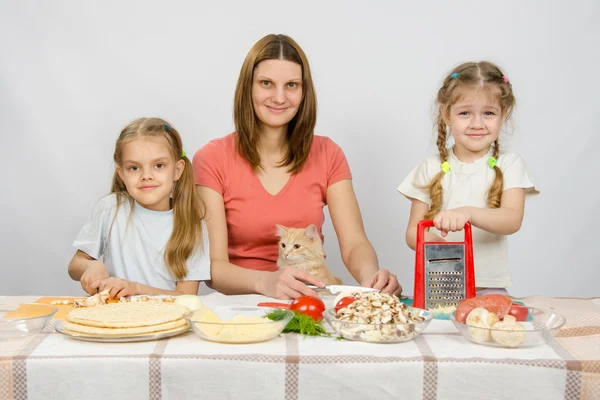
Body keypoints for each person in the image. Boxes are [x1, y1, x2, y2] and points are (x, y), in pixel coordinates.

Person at [194, 34, 401, 299]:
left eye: (291, 85)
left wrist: (371, 278)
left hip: (308, 300)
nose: (279, 97)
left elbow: (354, 244)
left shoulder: (328, 154)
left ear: (304, 92)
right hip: (238, 308)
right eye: (266, 83)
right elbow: (215, 268)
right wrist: (266, 282)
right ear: (248, 88)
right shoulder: (211, 158)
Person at [398, 62, 539, 292]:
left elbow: (512, 220)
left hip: (489, 287)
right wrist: (445, 252)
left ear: (504, 115)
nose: (477, 124)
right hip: (440, 285)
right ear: (446, 114)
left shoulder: (509, 164)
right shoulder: (430, 167)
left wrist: (467, 213)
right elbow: (414, 232)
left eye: (489, 113)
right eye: (465, 113)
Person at [68, 118, 210, 298]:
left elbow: (186, 296)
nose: (146, 176)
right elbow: (74, 265)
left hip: (165, 321)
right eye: (134, 168)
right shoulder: (110, 208)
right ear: (122, 174)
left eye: (159, 165)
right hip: (113, 318)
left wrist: (136, 288)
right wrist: (91, 266)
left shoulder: (192, 223)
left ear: (177, 170)